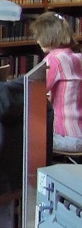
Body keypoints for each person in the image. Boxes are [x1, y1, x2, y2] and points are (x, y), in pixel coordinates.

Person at [32, 11, 82, 154]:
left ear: (48, 35)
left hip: (66, 137)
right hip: (79, 133)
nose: (37, 41)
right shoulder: (78, 57)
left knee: (21, 138)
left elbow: (33, 92)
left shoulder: (54, 59)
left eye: (38, 36)